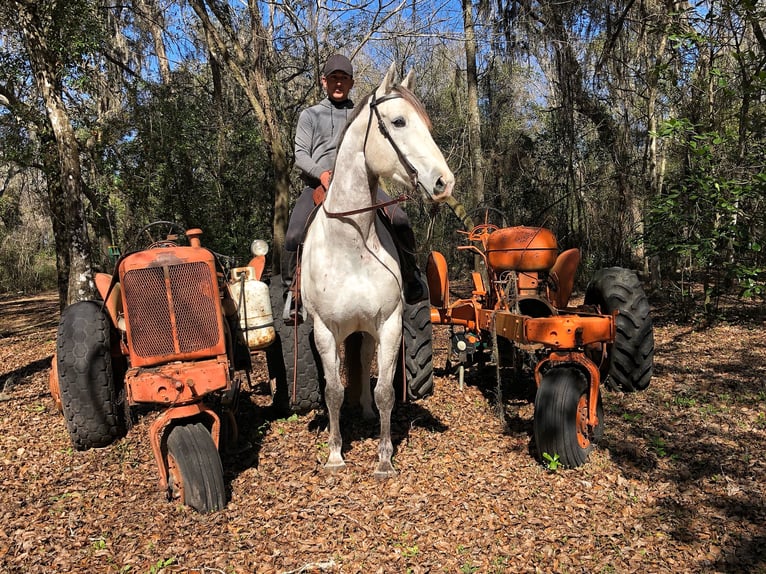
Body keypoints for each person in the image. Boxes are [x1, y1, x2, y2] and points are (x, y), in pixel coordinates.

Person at [282, 54, 425, 318]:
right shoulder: (310, 115)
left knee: (401, 220)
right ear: (323, 81)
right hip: (319, 186)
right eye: (334, 78)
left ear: (351, 83)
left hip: (363, 187)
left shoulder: (363, 114)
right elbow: (301, 154)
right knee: (293, 233)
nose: (338, 83)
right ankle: (293, 292)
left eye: (344, 78)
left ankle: (410, 276)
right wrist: (322, 174)